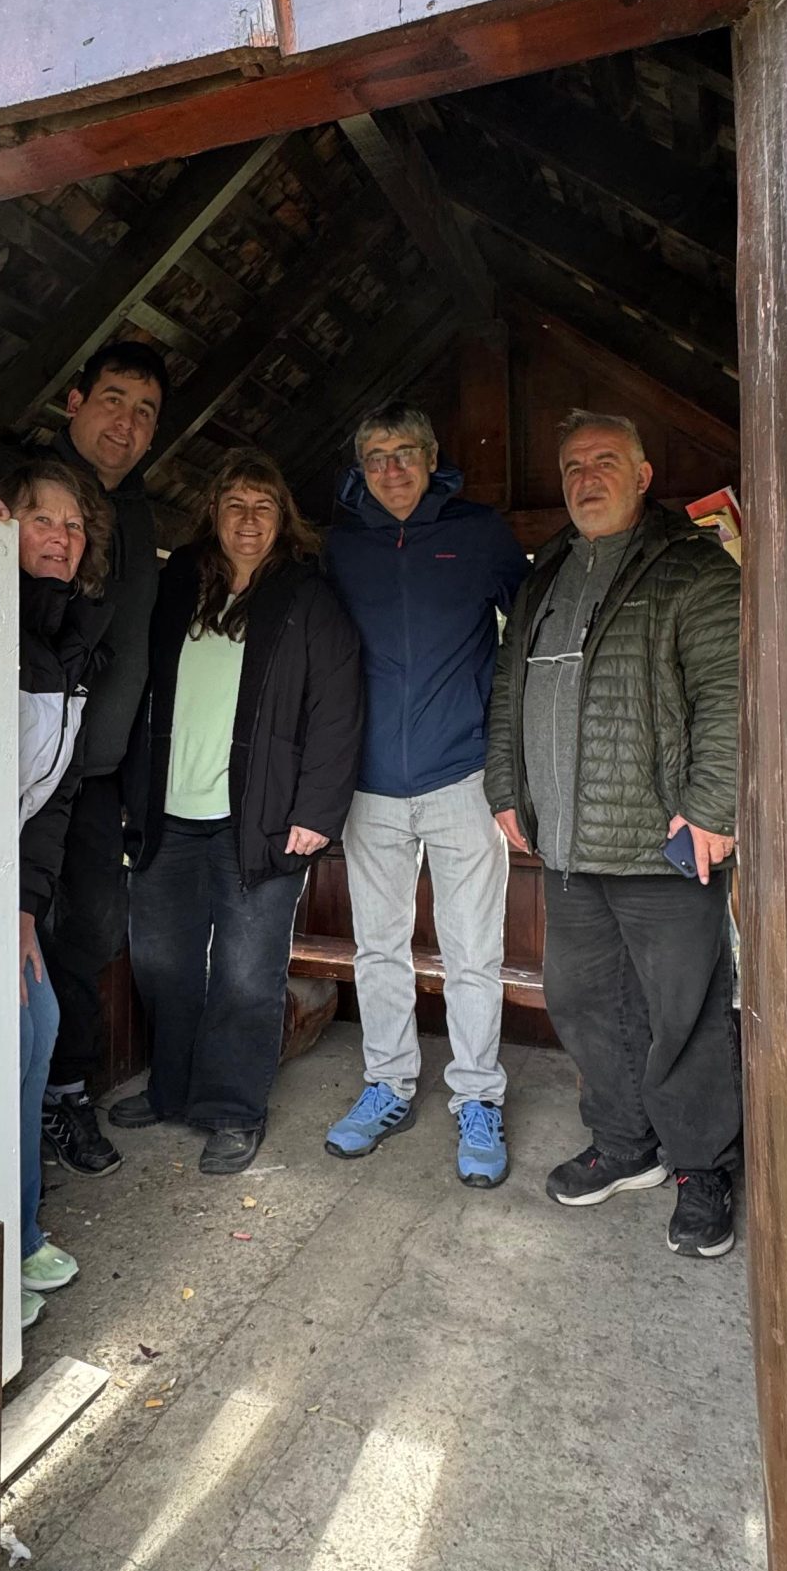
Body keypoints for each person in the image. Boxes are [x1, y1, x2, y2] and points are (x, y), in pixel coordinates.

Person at [485, 411, 743, 1258]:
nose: (585, 478)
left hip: (661, 843)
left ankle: (702, 1165)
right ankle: (627, 1144)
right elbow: (508, 693)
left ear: (642, 474)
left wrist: (713, 807)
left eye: (604, 461)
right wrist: (506, 787)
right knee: (585, 1004)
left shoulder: (692, 567)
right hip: (567, 844)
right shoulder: (547, 575)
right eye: (572, 466)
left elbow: (731, 690)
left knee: (684, 1013)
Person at [0, 338, 167, 1180]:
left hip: (91, 771)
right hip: (1, 772)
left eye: (145, 412)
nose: (126, 423)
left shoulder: (138, 513)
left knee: (90, 927)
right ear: (75, 401)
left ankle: (62, 1094)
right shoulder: (18, 474)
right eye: (113, 400)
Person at [122, 450, 363, 1176]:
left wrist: (316, 810)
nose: (249, 520)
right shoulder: (179, 582)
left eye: (263, 506)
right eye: (235, 505)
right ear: (213, 513)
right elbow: (135, 686)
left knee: (247, 974)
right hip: (168, 813)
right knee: (162, 961)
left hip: (259, 819)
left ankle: (231, 1109)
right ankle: (170, 1088)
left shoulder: (308, 598)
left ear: (283, 518)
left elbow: (338, 710)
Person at [320, 402, 528, 1185]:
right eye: (375, 457)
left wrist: (513, 760)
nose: (392, 469)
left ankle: (478, 1096)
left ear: (433, 456)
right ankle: (388, 1085)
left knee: (474, 951)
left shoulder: (479, 532)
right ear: (360, 469)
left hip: (462, 775)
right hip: (368, 785)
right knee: (378, 947)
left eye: (405, 452)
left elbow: (530, 637)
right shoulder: (341, 546)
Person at [0, 450, 113, 1328]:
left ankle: (22, 1230)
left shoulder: (70, 640)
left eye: (74, 526)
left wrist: (22, 914)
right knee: (1, 1041)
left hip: (1, 884)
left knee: (37, 1025)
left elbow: (53, 802)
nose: (61, 537)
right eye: (42, 518)